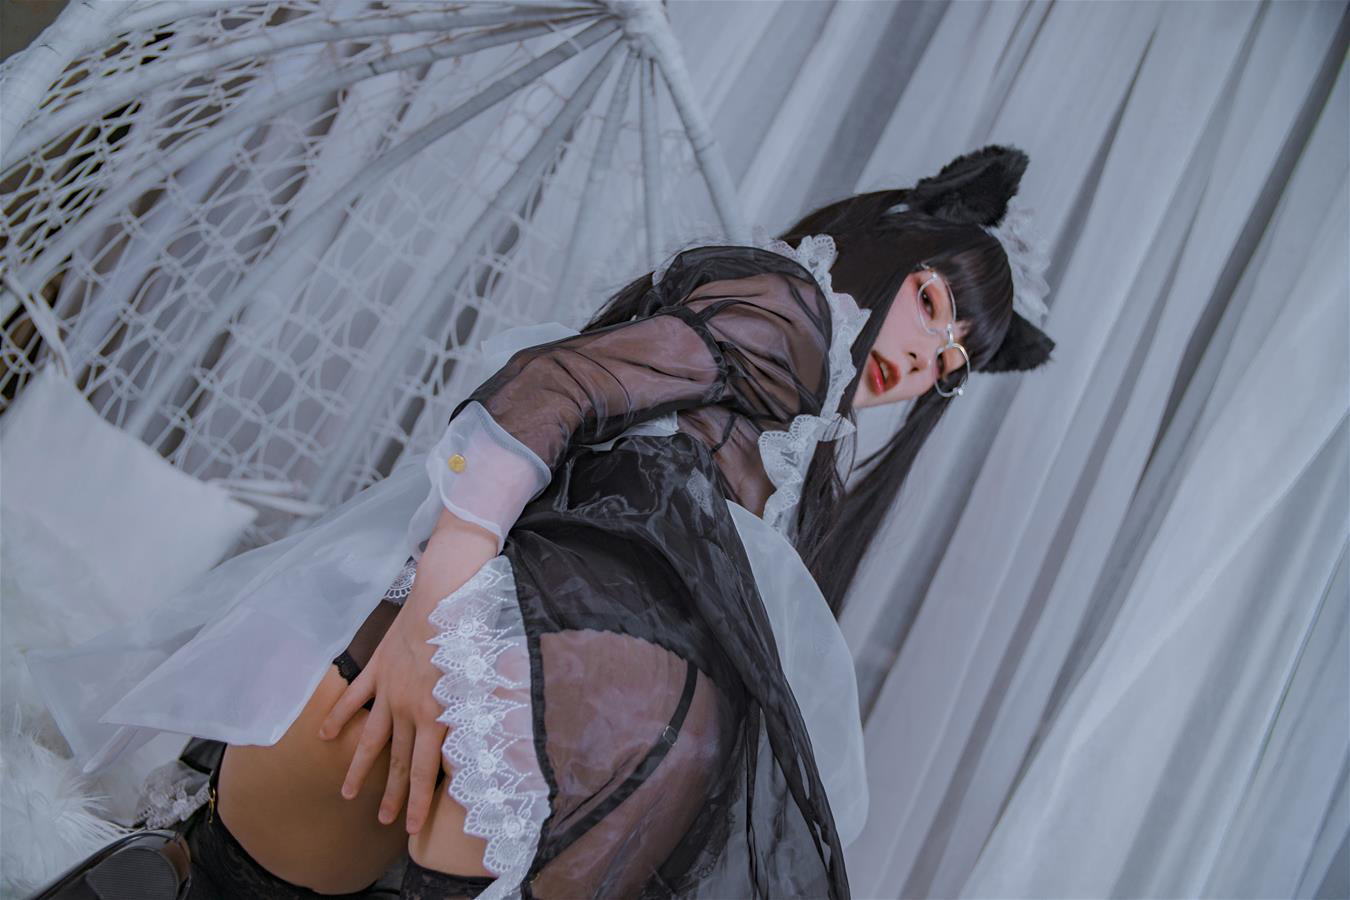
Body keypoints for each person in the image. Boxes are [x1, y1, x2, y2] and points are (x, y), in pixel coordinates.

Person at [30, 144, 1055, 900]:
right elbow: (553, 386)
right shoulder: (791, 315)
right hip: (426, 685)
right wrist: (439, 597)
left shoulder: (794, 460)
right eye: (933, 304)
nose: (925, 357)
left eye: (952, 362)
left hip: (458, 744)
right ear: (887, 247)